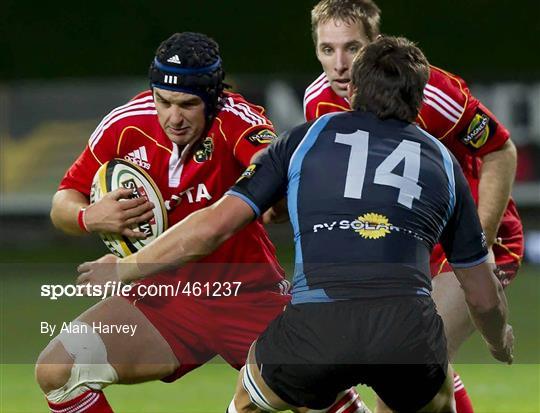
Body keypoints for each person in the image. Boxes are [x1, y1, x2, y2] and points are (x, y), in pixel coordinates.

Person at [77, 36, 513, 413]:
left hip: (316, 328)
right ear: (418, 100)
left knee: (249, 396)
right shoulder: (443, 161)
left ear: (354, 88)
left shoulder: (306, 138)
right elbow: (479, 289)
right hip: (406, 333)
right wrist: (497, 340)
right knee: (438, 399)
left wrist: (125, 269)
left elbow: (212, 227)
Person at [37, 31, 365, 413]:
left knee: (325, 400)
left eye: (188, 104)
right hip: (162, 302)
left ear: (213, 99)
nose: (173, 117)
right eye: (164, 101)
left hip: (245, 296)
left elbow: (275, 169)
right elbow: (62, 201)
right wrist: (87, 215)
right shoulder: (126, 124)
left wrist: (278, 197)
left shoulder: (239, 121)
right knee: (57, 371)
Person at [303, 1, 523, 411]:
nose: (339, 64)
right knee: (423, 373)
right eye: (326, 49)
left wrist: (477, 244)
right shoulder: (318, 103)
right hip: (407, 247)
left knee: (404, 374)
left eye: (352, 48)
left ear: (376, 45)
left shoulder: (433, 92)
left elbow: (500, 151)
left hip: (467, 238)